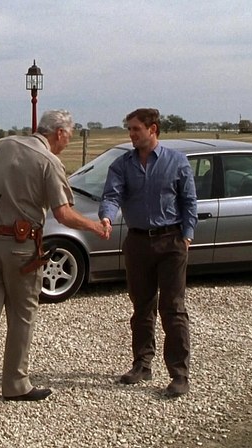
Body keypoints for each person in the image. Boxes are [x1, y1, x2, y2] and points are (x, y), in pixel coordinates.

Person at [0, 109, 110, 408]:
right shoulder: (49, 162)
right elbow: (63, 214)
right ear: (59, 133)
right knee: (22, 315)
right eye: (69, 136)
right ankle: (15, 384)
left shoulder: (4, 145)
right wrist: (94, 226)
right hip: (21, 249)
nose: (67, 142)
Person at [98, 108, 197, 397]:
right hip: (138, 243)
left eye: (136, 129)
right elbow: (112, 195)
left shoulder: (176, 162)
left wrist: (187, 235)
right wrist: (106, 217)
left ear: (152, 129)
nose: (131, 134)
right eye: (129, 129)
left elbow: (189, 200)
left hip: (171, 243)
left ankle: (179, 374)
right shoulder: (122, 164)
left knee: (173, 309)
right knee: (141, 307)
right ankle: (142, 364)